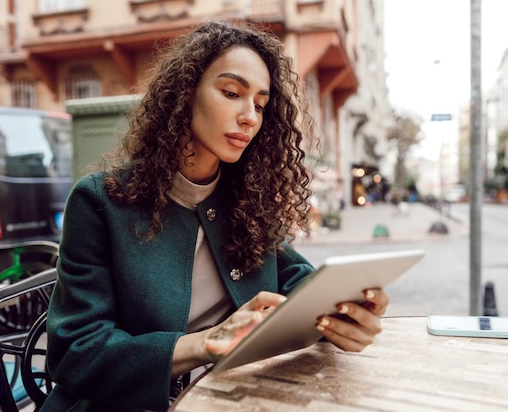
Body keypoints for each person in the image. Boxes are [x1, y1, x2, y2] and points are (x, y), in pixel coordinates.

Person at [41, 20, 390, 412]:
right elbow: (76, 351)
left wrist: (343, 313)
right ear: (185, 94)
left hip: (229, 396)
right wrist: (206, 343)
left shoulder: (248, 199)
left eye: (260, 104)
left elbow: (294, 281)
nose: (250, 117)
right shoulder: (99, 201)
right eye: (231, 93)